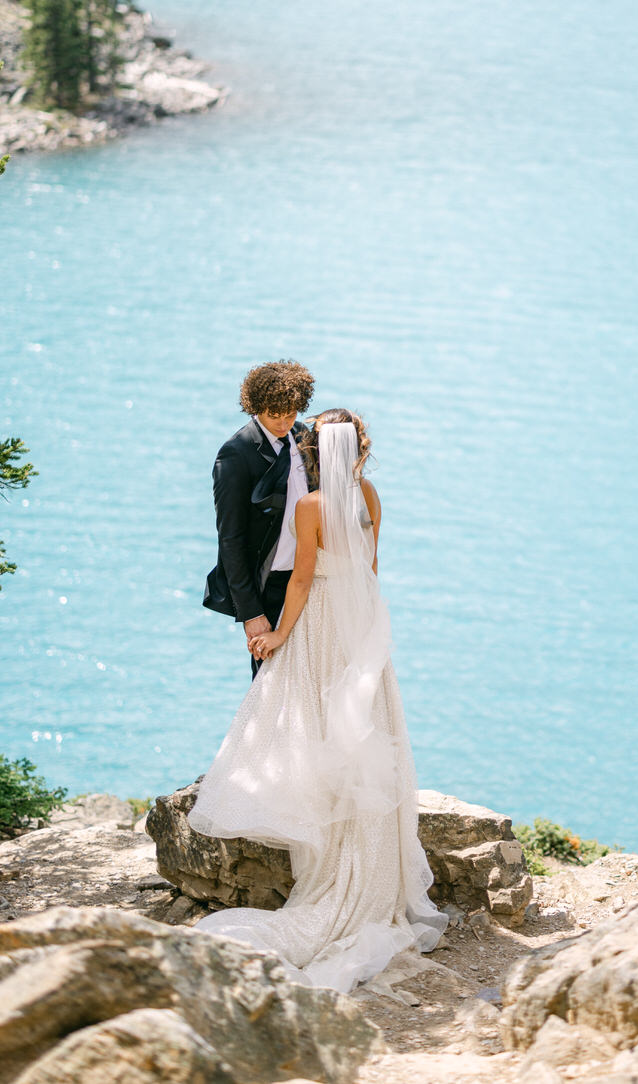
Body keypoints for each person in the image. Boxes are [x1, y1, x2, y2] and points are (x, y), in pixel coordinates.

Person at [188, 409, 447, 991]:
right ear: (357, 453)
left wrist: (277, 634)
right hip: (361, 627)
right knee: (365, 734)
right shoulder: (369, 496)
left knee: (311, 729)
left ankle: (332, 873)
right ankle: (375, 876)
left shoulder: (310, 508)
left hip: (321, 624)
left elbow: (302, 579)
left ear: (312, 453)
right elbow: (373, 569)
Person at [203, 361, 316, 676]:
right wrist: (251, 612)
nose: (283, 424)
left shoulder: (303, 435)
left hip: (310, 579)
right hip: (270, 587)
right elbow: (230, 538)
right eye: (273, 416)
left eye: (290, 414)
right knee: (270, 686)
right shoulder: (236, 454)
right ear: (255, 408)